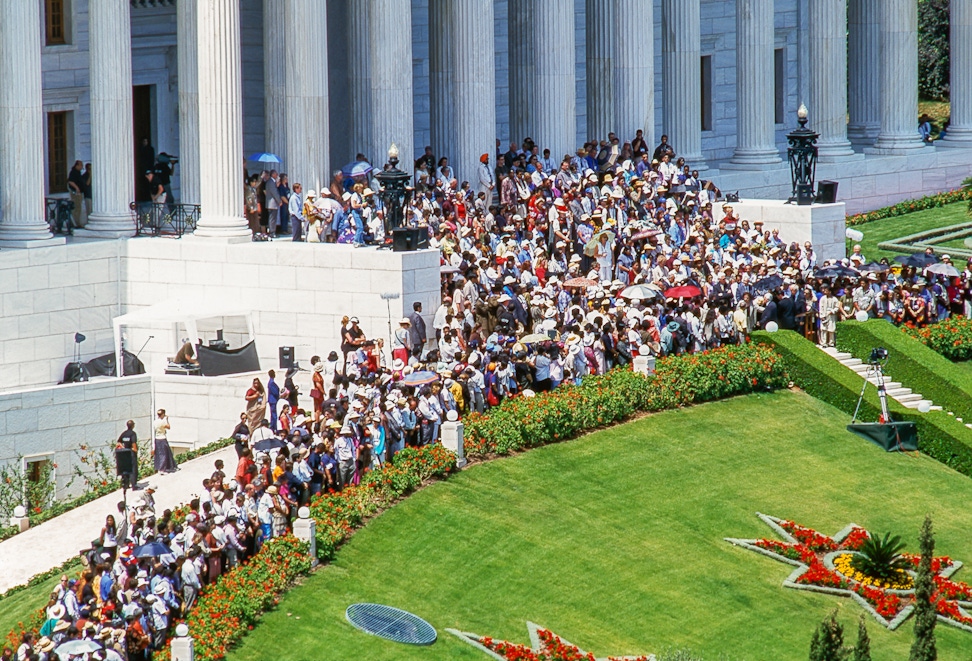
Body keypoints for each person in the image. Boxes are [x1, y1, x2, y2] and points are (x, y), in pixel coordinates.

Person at [116, 420, 139, 489]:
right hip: (131, 452)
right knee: (133, 468)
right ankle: (134, 485)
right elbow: (133, 442)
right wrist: (135, 449)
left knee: (126, 469)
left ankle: (125, 485)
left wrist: (123, 447)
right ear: (133, 426)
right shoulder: (133, 434)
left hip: (125, 452)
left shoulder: (124, 433)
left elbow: (118, 442)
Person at [152, 409, 177, 474]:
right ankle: (162, 469)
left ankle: (161, 468)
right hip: (162, 438)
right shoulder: (163, 421)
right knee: (164, 454)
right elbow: (168, 427)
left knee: (159, 454)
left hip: (157, 438)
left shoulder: (155, 421)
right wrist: (166, 419)